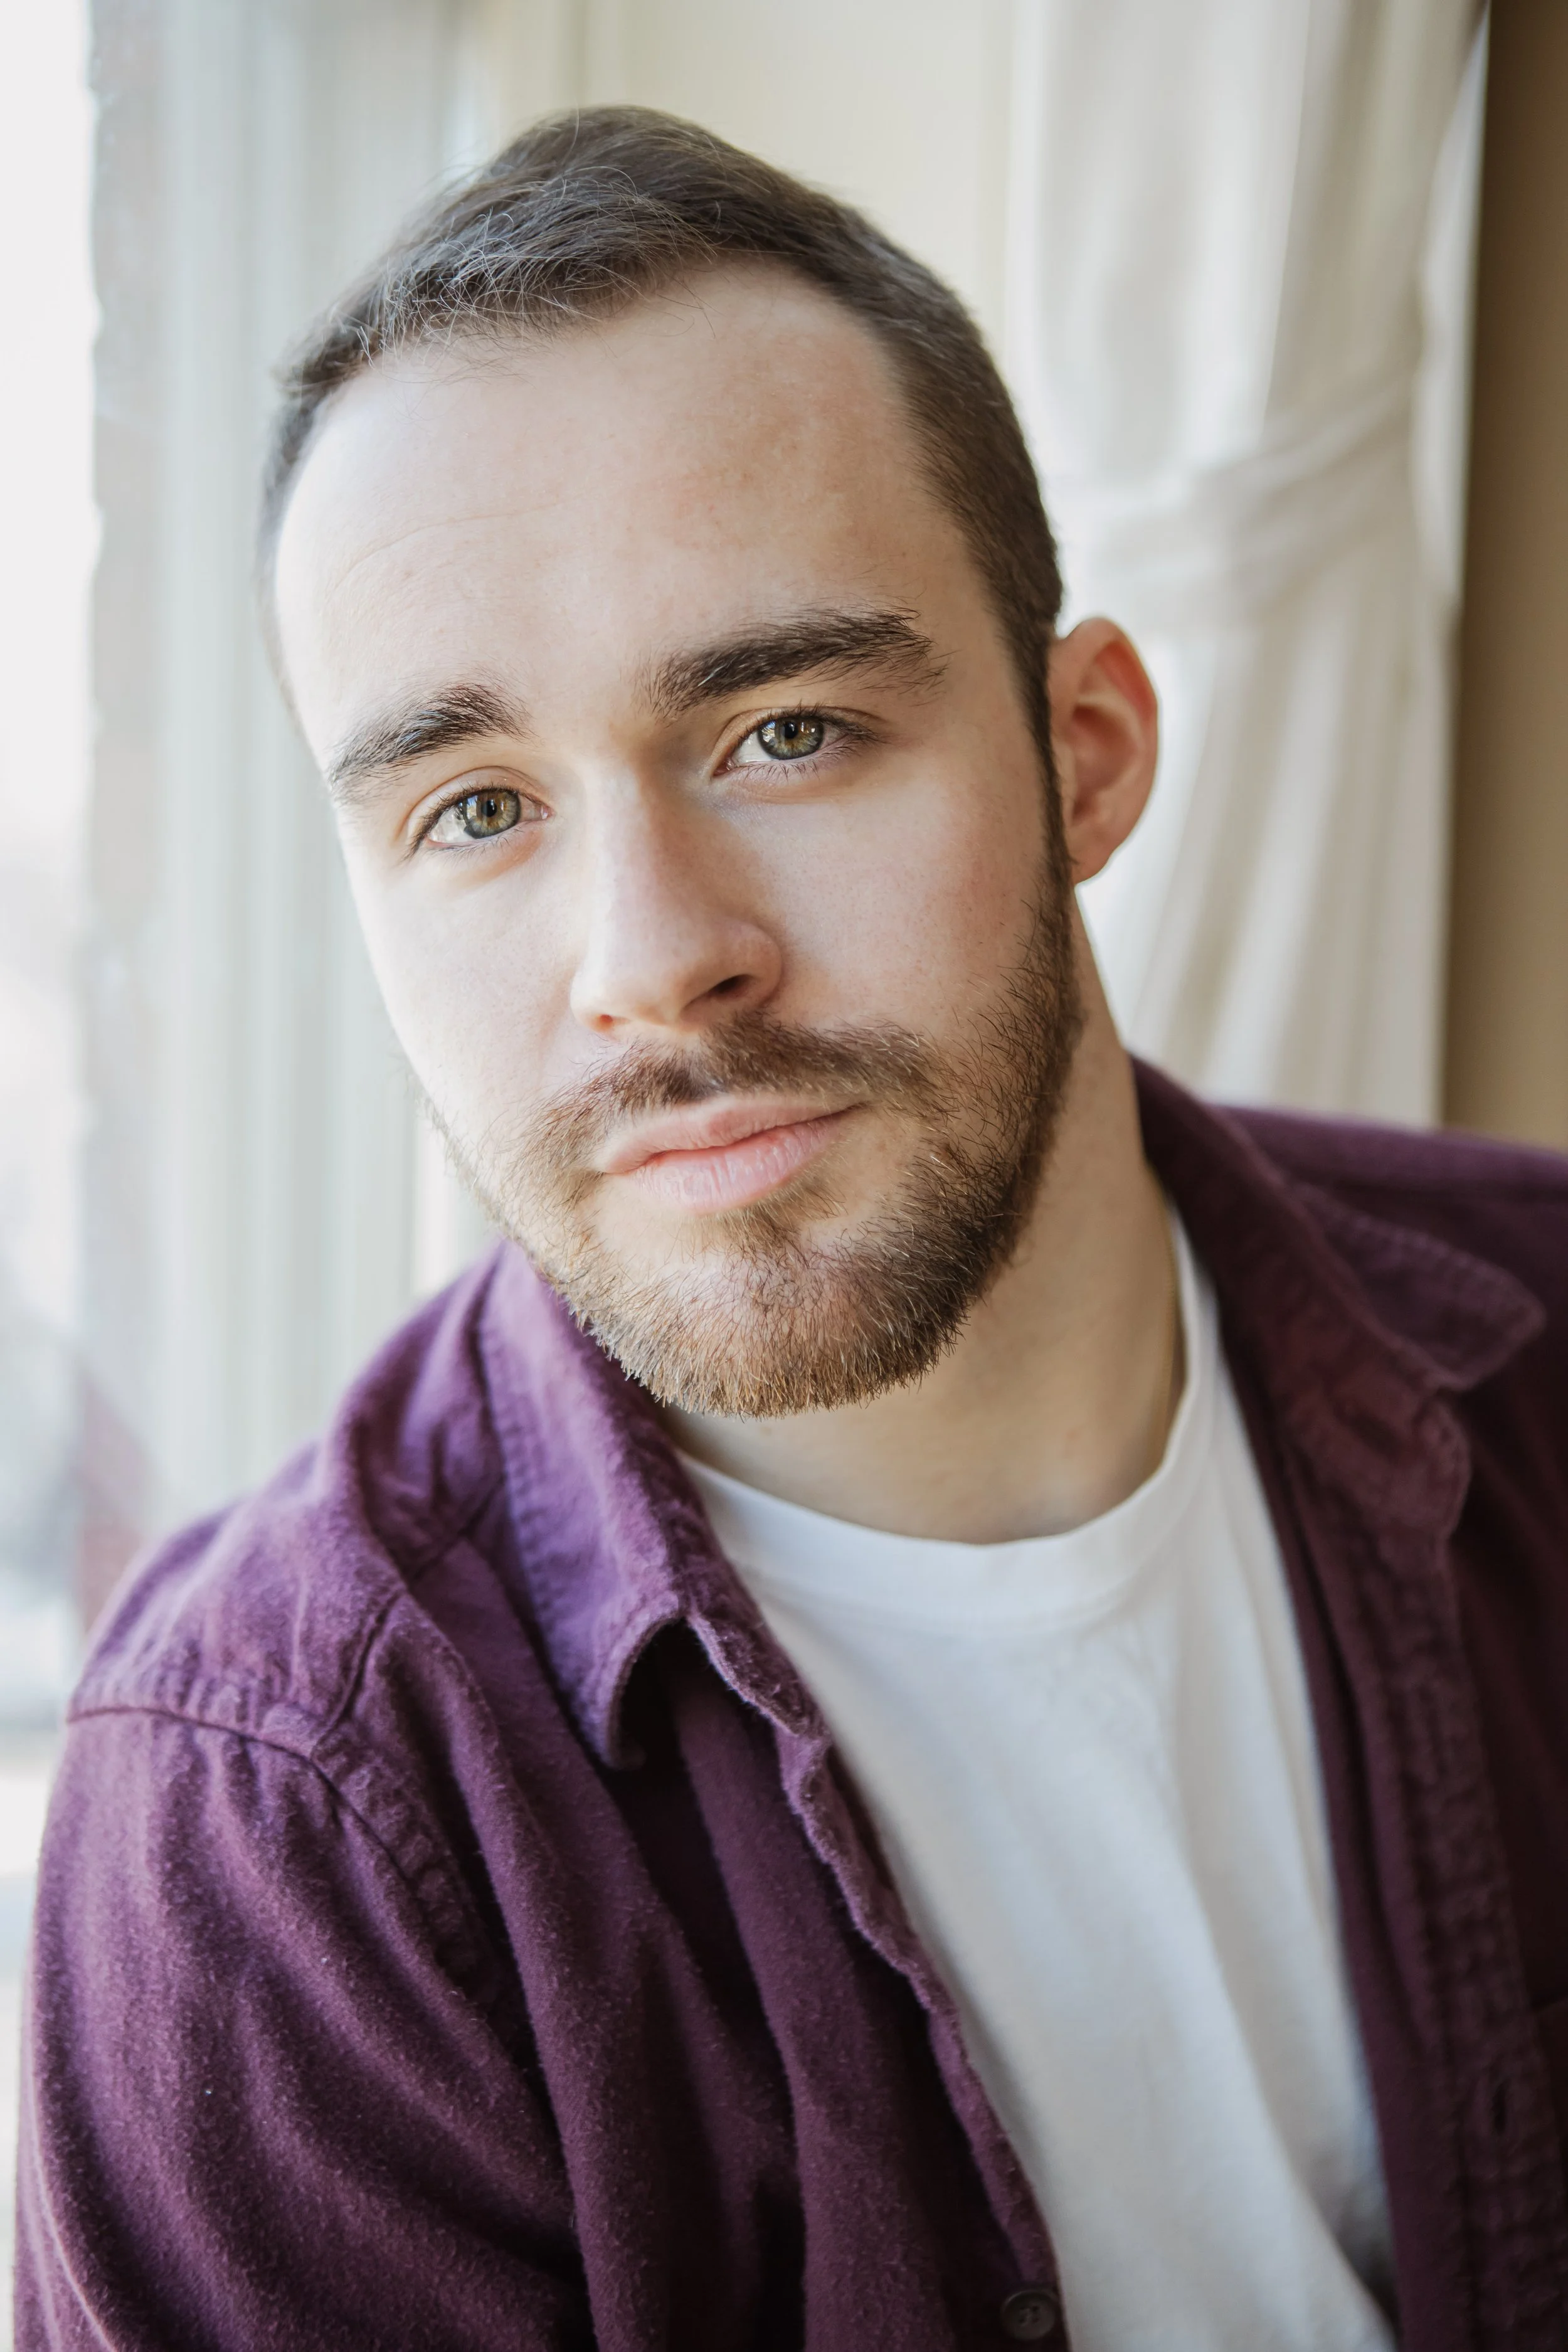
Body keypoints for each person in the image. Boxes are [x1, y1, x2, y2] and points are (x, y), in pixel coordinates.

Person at [15, 107, 1568, 2352]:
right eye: (473, 807)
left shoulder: (1544, 1352)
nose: (650, 958)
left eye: (787, 729)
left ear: (1088, 748)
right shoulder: (277, 1830)